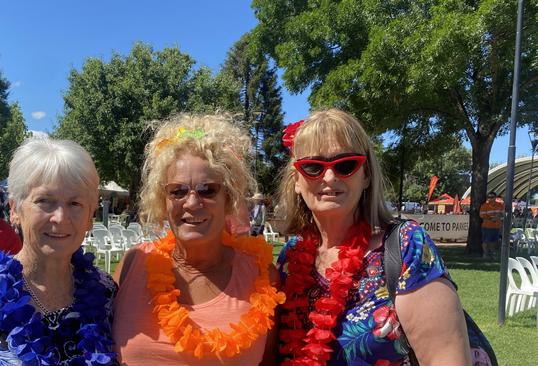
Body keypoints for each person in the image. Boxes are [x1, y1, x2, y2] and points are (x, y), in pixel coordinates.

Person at [277, 109, 475, 365]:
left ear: (366, 175)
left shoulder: (406, 246)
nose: (329, 177)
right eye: (313, 166)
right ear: (296, 180)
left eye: (345, 165)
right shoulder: (289, 258)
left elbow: (446, 359)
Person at [0, 138, 118, 365]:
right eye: (45, 201)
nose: (61, 218)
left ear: (90, 216)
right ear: (15, 210)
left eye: (75, 204)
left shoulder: (107, 294)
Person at [113, 114, 284, 365]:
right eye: (178, 191)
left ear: (229, 196)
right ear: (163, 199)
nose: (192, 203)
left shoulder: (261, 276)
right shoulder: (132, 264)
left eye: (207, 189)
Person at [479, 191, 504, 258]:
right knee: (486, 241)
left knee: (494, 241)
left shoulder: (500, 205)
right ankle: (485, 254)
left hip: (496, 227)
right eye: (489, 197)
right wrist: (491, 218)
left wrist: (497, 217)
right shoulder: (484, 206)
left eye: (492, 197)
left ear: (495, 197)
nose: (490, 199)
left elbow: (502, 213)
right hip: (486, 226)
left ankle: (492, 253)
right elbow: (482, 215)